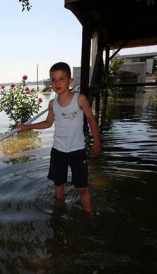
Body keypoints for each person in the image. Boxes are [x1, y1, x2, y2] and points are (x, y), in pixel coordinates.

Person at [18, 62, 101, 214]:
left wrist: (97, 143)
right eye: (53, 80)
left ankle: (89, 216)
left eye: (61, 79)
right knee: (58, 184)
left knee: (82, 188)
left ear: (70, 81)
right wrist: (27, 127)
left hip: (77, 151)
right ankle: (59, 213)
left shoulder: (80, 99)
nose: (57, 83)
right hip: (58, 151)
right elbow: (48, 123)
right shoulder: (52, 104)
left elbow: (91, 120)